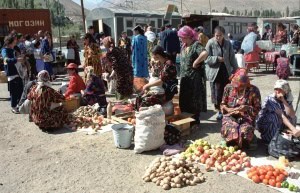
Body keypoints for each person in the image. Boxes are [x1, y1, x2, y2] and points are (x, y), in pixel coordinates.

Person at [220, 68, 261, 148]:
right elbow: (222, 104)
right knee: (231, 129)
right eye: (236, 84)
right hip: (230, 117)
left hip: (247, 118)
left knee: (245, 132)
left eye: (241, 85)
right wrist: (228, 110)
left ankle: (249, 138)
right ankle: (231, 140)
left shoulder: (254, 90)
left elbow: (258, 109)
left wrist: (247, 108)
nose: (238, 87)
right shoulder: (228, 88)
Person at [205, 26, 238, 120]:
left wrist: (236, 70)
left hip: (226, 71)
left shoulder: (228, 44)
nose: (218, 37)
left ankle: (226, 110)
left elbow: (232, 58)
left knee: (227, 91)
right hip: (215, 72)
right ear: (214, 35)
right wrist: (217, 59)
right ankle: (219, 111)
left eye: (220, 35)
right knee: (218, 93)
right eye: (216, 36)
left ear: (223, 35)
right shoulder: (210, 43)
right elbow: (206, 58)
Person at [178, 26, 208, 123]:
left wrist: (196, 62)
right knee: (184, 98)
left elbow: (205, 53)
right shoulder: (184, 46)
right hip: (185, 78)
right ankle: (186, 120)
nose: (180, 39)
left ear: (187, 36)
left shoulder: (196, 45)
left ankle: (195, 120)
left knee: (193, 99)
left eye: (181, 37)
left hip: (194, 78)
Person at [1, 35, 24, 114]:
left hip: (18, 72)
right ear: (10, 41)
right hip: (11, 74)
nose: (16, 41)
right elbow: (6, 60)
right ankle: (13, 107)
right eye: (14, 40)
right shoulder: (4, 50)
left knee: (20, 90)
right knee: (13, 92)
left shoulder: (13, 49)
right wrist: (16, 59)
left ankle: (19, 105)